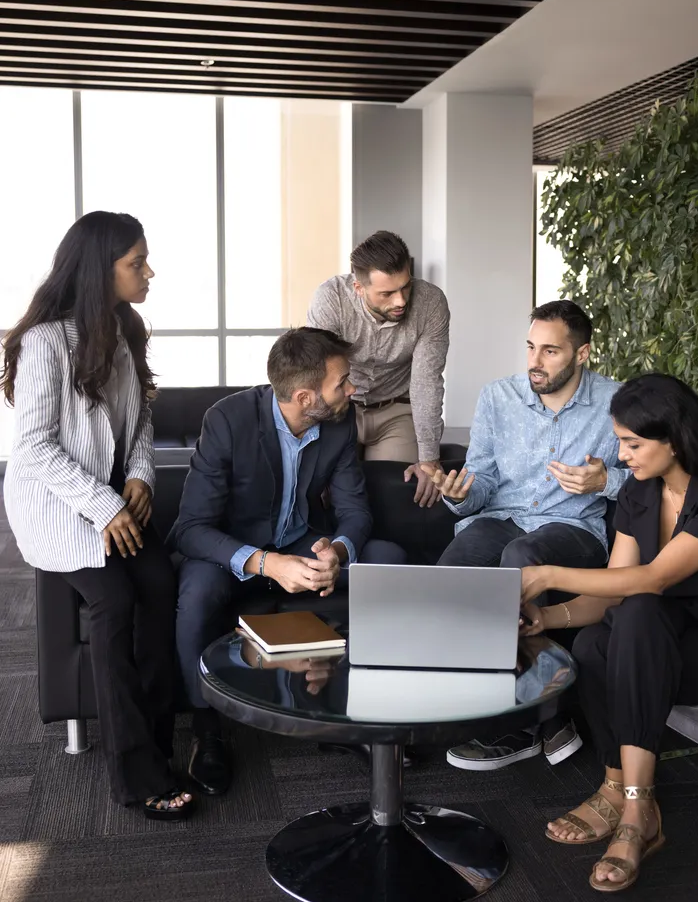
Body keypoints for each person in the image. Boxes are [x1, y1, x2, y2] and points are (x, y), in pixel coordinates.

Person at [519, 373, 698, 894]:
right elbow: (611, 594)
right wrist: (547, 618)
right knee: (597, 641)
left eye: (633, 443)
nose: (622, 457)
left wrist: (547, 576)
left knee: (641, 611)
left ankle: (635, 813)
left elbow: (652, 578)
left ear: (675, 439)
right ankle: (615, 787)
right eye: (622, 441)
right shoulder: (642, 493)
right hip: (668, 635)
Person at [1, 212, 191, 821]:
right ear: (99, 270)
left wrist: (139, 475)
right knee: (113, 603)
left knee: (162, 583)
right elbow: (31, 448)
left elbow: (141, 421)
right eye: (136, 262)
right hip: (58, 503)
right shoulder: (45, 341)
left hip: (113, 492)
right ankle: (135, 776)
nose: (149, 271)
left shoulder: (127, 328)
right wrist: (105, 503)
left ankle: (161, 745)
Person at [173, 326, 407, 795]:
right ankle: (207, 728)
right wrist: (266, 563)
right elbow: (190, 529)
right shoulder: (228, 420)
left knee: (389, 561)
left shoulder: (339, 422)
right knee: (197, 596)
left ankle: (361, 714)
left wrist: (337, 551)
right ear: (304, 397)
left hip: (303, 545)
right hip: (230, 553)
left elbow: (354, 510)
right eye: (342, 383)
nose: (352, 389)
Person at [421, 300, 628, 771]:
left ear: (582, 354)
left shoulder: (617, 404)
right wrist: (459, 494)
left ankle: (517, 726)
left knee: (522, 554)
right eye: (531, 347)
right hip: (500, 517)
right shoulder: (498, 397)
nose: (534, 361)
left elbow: (654, 476)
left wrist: (605, 483)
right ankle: (532, 716)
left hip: (573, 527)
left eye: (551, 351)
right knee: (447, 575)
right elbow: (483, 482)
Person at [307, 230, 449, 509]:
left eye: (405, 286)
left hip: (396, 411)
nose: (401, 301)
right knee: (326, 493)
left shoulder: (431, 303)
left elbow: (427, 382)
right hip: (340, 409)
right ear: (358, 288)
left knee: (398, 495)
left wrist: (429, 460)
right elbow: (318, 376)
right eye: (387, 293)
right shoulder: (331, 299)